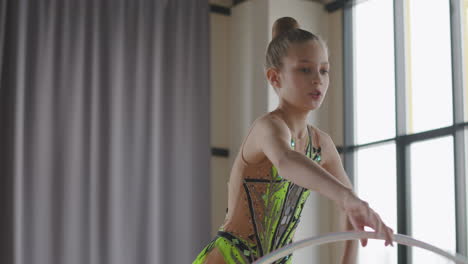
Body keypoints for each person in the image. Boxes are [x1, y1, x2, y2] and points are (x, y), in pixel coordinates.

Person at [193, 16, 394, 264]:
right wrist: (347, 198)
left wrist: (348, 254)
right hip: (229, 258)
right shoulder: (267, 128)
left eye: (324, 70)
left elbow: (350, 212)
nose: (317, 79)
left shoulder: (322, 144)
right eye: (304, 69)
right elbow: (286, 160)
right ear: (275, 78)